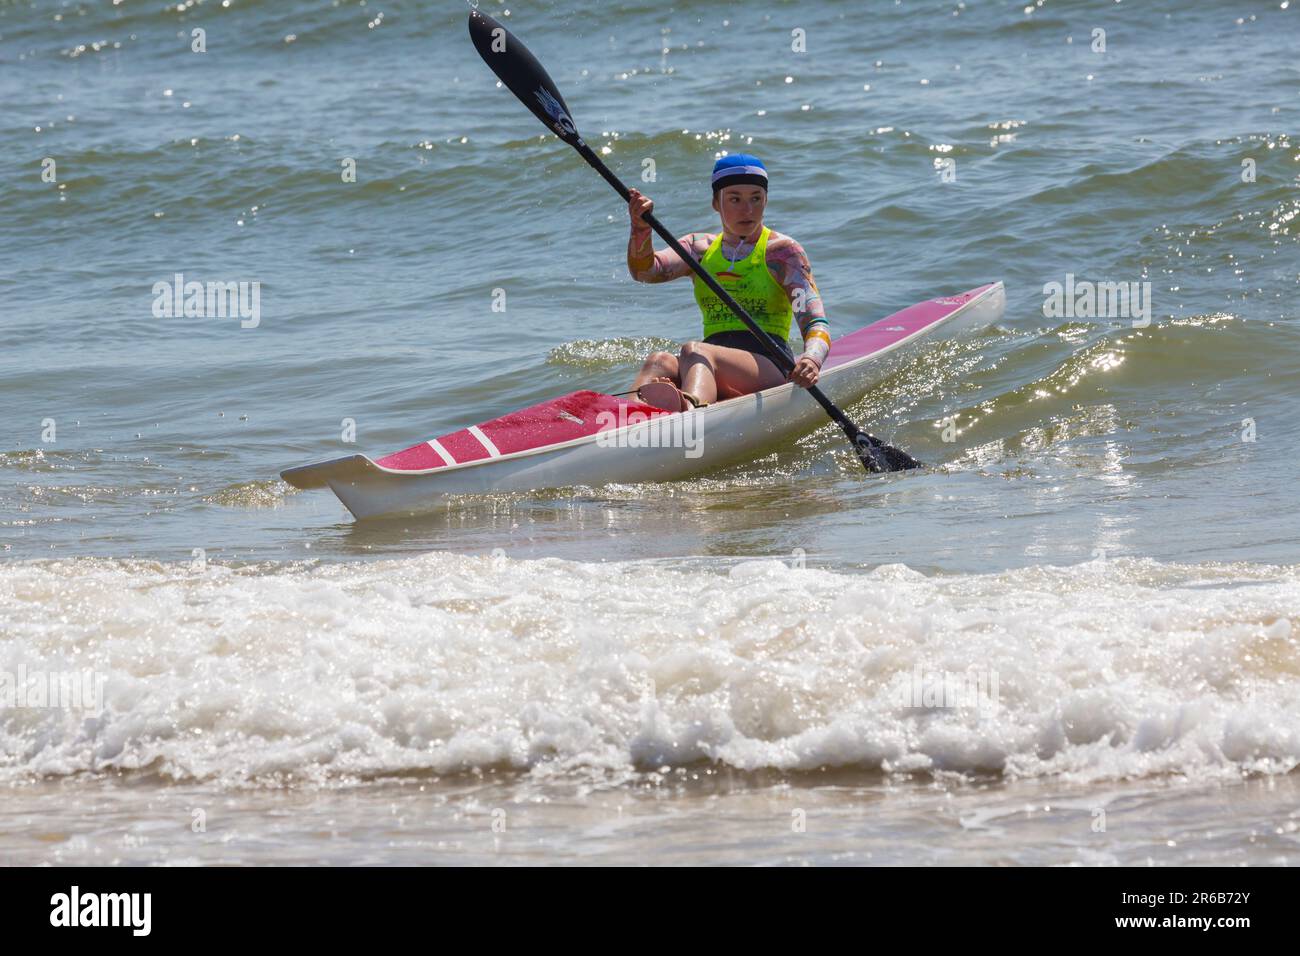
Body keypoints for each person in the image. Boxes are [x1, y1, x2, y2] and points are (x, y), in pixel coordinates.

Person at [625, 153, 831, 412]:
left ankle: (690, 411)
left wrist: (812, 359)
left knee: (694, 351)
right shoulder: (698, 249)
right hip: (707, 362)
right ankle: (628, 416)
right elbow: (645, 272)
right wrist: (640, 229)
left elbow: (815, 322)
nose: (748, 210)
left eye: (756, 198)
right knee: (660, 361)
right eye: (735, 199)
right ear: (716, 202)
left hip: (771, 364)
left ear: (766, 200)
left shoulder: (782, 252)